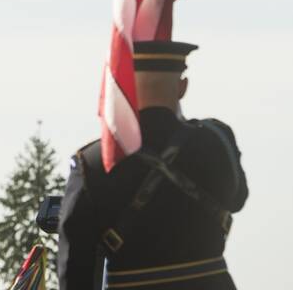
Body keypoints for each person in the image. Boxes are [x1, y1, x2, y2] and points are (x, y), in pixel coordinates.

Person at [58, 41, 248, 289]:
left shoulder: (93, 162)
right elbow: (237, 199)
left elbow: (76, 269)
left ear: (122, 86)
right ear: (182, 87)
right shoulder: (217, 140)